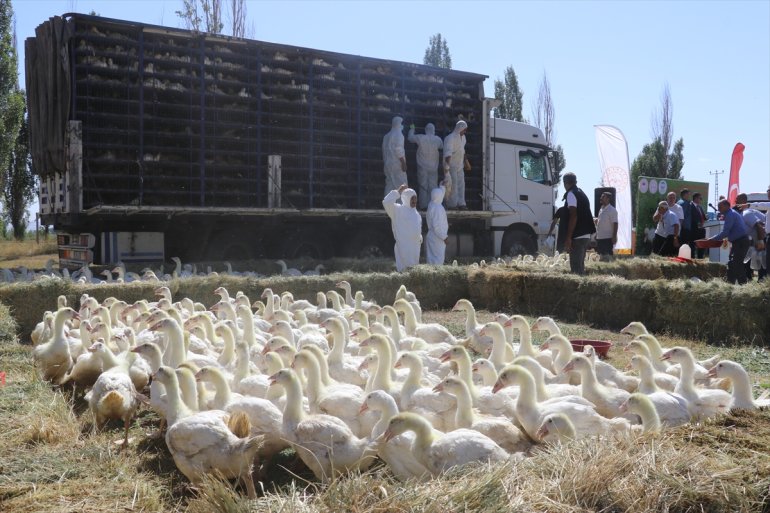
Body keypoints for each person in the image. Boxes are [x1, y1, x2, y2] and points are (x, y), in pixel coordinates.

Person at [561, 172, 595, 274]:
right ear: (575, 182)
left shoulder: (571, 194)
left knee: (576, 270)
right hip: (586, 235)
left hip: (577, 236)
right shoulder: (582, 193)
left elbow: (573, 216)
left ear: (565, 183)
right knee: (580, 267)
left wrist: (568, 237)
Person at [709, 198, 749, 285]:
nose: (719, 209)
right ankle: (730, 284)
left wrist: (713, 239)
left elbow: (725, 232)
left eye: (720, 207)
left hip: (741, 242)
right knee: (732, 263)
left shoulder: (730, 214)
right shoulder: (731, 213)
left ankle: (744, 285)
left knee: (737, 263)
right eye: (718, 207)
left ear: (727, 206)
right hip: (739, 241)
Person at [383, 184, 422, 272]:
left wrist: (419, 237)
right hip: (403, 248)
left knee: (414, 271)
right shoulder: (397, 210)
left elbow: (417, 228)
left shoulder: (416, 214)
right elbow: (386, 202)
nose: (414, 200)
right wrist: (398, 191)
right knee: (404, 270)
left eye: (415, 198)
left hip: (415, 248)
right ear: (406, 198)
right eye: (412, 198)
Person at [407, 122, 444, 210]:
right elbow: (442, 146)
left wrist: (412, 128)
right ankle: (433, 204)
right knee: (433, 186)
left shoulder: (421, 137)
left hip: (422, 166)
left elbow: (410, 138)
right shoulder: (437, 139)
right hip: (433, 167)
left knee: (423, 186)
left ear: (426, 130)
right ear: (434, 130)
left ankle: (423, 205)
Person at [443, 120, 469, 210]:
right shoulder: (450, 138)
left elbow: (463, 151)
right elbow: (448, 153)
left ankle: (461, 203)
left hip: (459, 166)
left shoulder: (463, 138)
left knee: (461, 185)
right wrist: (446, 167)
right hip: (451, 166)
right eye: (464, 129)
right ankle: (452, 205)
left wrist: (466, 162)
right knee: (453, 185)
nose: (465, 132)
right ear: (459, 128)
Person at [747, 185, 770, 280]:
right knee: (766, 260)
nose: (769, 197)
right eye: (768, 195)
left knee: (768, 261)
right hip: (766, 236)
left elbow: (762, 205)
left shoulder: (768, 205)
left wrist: (749, 205)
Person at [425, 178, 450, 265]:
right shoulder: (438, 208)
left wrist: (442, 186)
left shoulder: (431, 204)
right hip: (437, 238)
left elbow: (439, 194)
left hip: (432, 236)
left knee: (431, 259)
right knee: (438, 260)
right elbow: (437, 227)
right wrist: (444, 237)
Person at [382, 116, 407, 196]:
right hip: (397, 164)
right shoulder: (399, 134)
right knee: (401, 185)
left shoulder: (386, 136)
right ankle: (401, 205)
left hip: (388, 164)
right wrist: (403, 163)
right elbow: (398, 150)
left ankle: (388, 204)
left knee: (390, 184)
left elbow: (384, 151)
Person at [594, 191, 618, 261]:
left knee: (608, 257)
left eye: (603, 197)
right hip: (600, 238)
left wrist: (614, 236)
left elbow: (615, 223)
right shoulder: (601, 209)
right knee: (600, 257)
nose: (600, 198)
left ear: (608, 199)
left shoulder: (612, 210)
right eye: (601, 196)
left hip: (607, 238)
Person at [692, 192, 707, 258]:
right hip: (694, 230)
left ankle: (700, 258)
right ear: (695, 198)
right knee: (692, 246)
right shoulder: (690, 206)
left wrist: (706, 217)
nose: (701, 200)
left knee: (701, 245)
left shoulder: (700, 207)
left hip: (701, 229)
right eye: (700, 198)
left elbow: (703, 217)